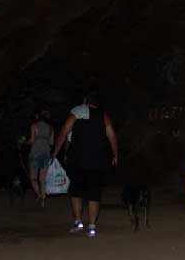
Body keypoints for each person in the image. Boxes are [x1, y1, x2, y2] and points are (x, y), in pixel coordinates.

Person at [52, 92, 118, 236]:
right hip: (97, 160)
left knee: (76, 192)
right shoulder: (103, 115)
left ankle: (78, 222)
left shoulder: (77, 111)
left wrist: (55, 152)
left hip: (77, 159)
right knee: (94, 193)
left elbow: (64, 132)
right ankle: (92, 226)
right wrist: (115, 154)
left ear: (84, 101)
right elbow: (111, 134)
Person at [24, 109, 54, 205]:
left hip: (35, 153)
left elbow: (32, 141)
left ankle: (39, 194)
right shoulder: (50, 128)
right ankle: (43, 198)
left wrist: (23, 142)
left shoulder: (34, 126)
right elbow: (51, 143)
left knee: (33, 177)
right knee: (42, 179)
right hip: (45, 153)